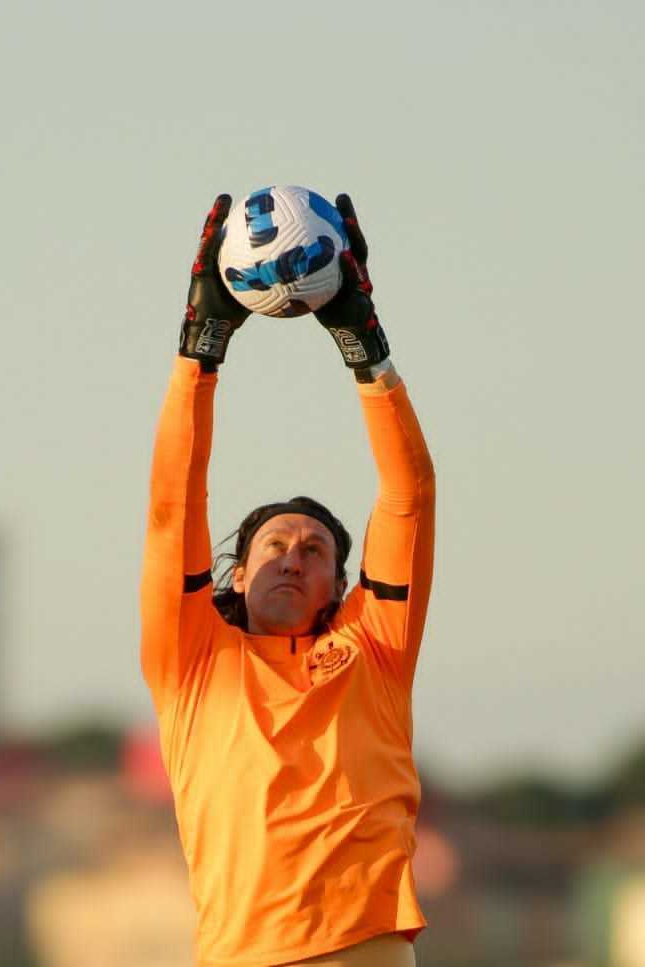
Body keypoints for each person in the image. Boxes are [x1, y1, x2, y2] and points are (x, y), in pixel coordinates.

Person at [140, 193, 435, 967]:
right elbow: (175, 505)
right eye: (276, 543)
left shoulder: (374, 647)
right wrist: (199, 350)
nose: (295, 556)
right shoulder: (192, 657)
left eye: (315, 551)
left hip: (364, 950)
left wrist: (361, 341)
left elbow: (409, 497)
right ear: (238, 569)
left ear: (340, 588)